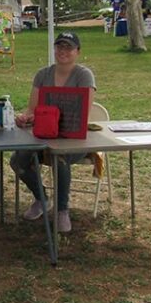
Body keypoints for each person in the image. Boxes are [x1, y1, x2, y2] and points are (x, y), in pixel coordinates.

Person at [11, 31, 96, 233]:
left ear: (78, 52)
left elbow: (85, 111)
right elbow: (32, 109)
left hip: (73, 139)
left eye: (68, 47)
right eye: (60, 46)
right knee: (17, 161)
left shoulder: (84, 75)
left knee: (60, 158)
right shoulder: (43, 75)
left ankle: (62, 210)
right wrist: (26, 118)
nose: (63, 51)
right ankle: (42, 199)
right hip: (43, 136)